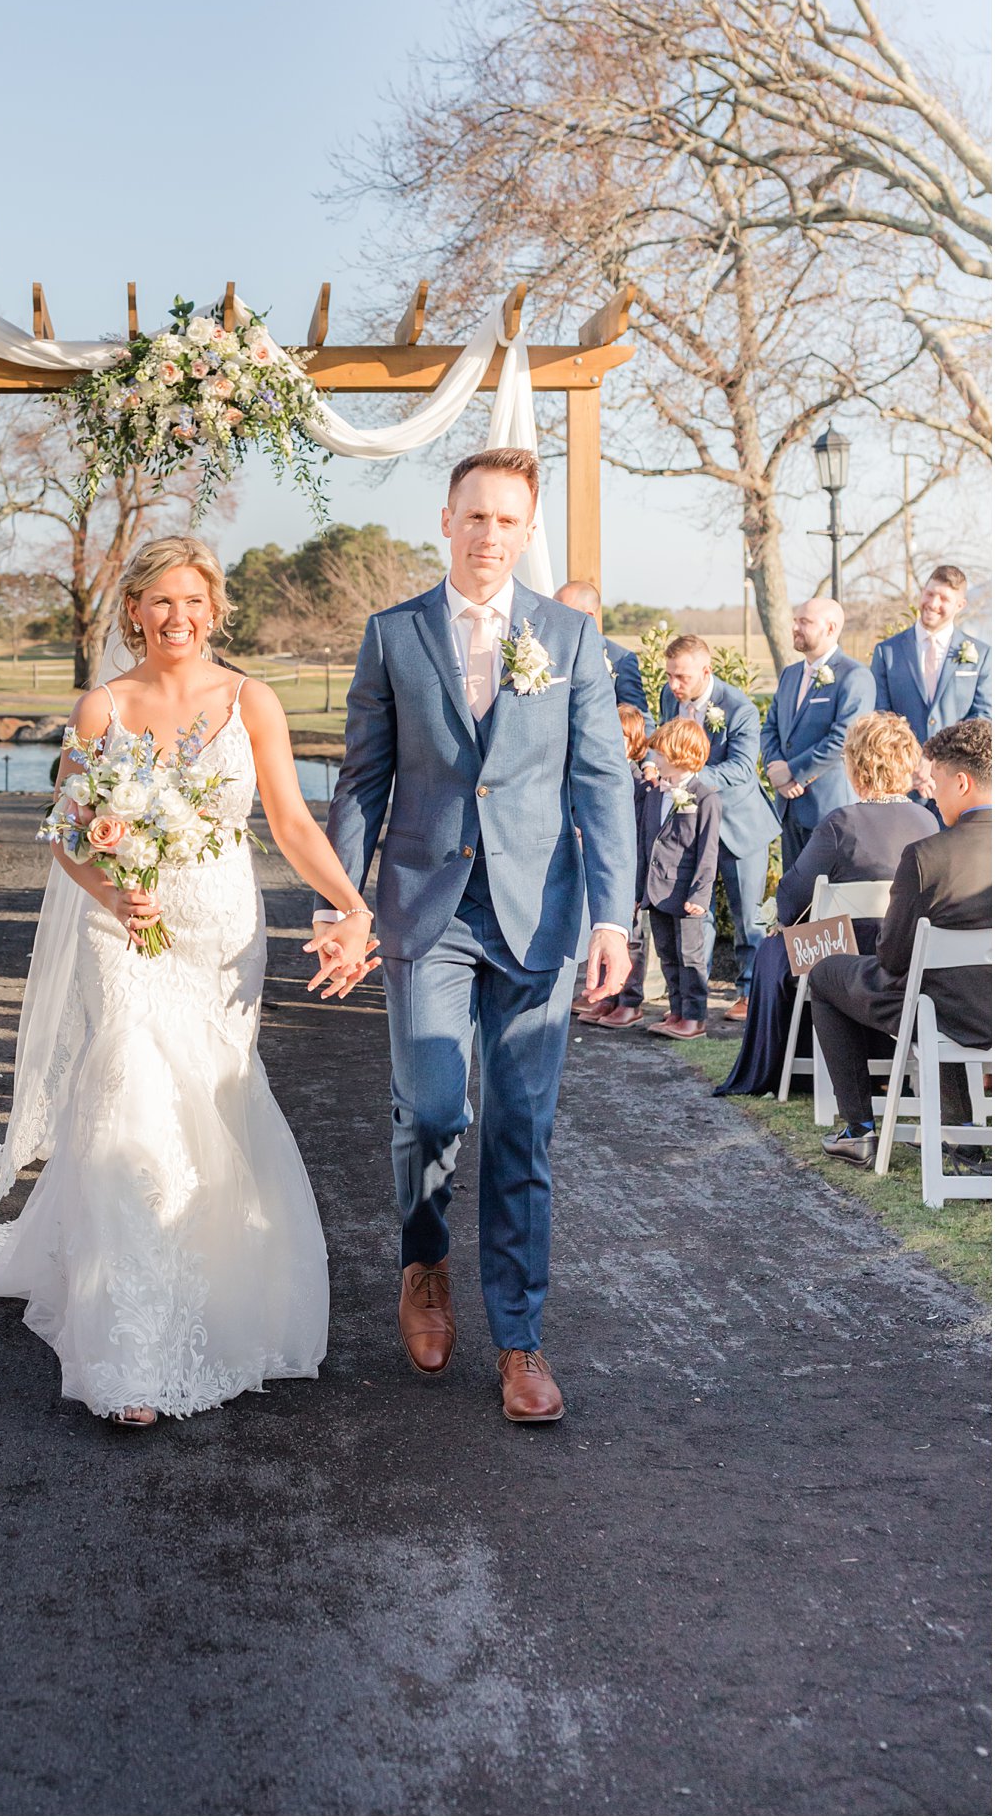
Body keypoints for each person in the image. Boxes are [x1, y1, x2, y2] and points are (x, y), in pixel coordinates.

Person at [0, 536, 376, 1428]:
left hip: (218, 931)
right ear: (133, 608)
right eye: (161, 601)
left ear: (216, 609)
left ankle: (208, 1291)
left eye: (195, 601)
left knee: (211, 1104)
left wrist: (351, 902)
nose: (180, 618)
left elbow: (288, 821)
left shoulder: (253, 701)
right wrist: (112, 886)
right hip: (122, 929)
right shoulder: (103, 708)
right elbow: (65, 833)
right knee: (131, 1100)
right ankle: (130, 1350)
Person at [326, 449, 634, 1424]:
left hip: (537, 918)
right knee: (427, 1110)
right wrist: (343, 900)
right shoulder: (391, 636)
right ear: (445, 520)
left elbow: (600, 786)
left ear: (524, 529)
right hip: (424, 909)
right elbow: (360, 784)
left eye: (507, 520)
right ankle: (423, 1267)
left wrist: (613, 916)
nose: (488, 535)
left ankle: (518, 1342)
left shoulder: (571, 640)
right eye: (474, 517)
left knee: (518, 1129)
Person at [717, 713, 937, 1098]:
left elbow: (792, 898)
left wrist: (783, 921)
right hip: (906, 957)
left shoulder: (841, 823)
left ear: (856, 767)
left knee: (773, 950)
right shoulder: (928, 821)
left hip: (842, 955)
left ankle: (787, 1071)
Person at [811, 719, 991, 1169]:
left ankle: (859, 1130)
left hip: (944, 1011)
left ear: (963, 782)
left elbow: (891, 957)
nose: (930, 792)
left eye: (938, 782)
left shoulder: (927, 855)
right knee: (937, 986)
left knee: (826, 974)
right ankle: (963, 1138)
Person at [657, 635, 778, 1023]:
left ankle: (749, 993)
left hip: (737, 824)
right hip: (689, 828)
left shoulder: (738, 707)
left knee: (747, 918)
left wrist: (688, 777)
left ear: (706, 672)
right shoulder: (667, 697)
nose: (674, 685)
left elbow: (743, 768)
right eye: (670, 675)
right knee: (695, 914)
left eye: (683, 677)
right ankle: (694, 998)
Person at [621, 718, 720, 1039]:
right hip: (657, 891)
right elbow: (643, 844)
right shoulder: (653, 793)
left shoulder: (704, 797)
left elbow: (708, 852)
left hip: (686, 894)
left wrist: (700, 895)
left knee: (690, 957)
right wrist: (637, 891)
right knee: (667, 954)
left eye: (659, 754)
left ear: (679, 755)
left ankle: (695, 1016)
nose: (654, 759)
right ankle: (676, 1011)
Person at [760, 598, 876, 874]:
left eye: (805, 622)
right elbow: (770, 728)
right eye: (795, 620)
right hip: (789, 806)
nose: (794, 627)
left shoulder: (854, 676)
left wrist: (793, 772)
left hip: (829, 807)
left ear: (831, 628)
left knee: (828, 899)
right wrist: (777, 771)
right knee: (795, 900)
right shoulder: (790, 674)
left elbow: (844, 739)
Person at [576, 702, 652, 1025]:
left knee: (631, 939)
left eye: (619, 736)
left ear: (633, 743)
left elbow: (636, 837)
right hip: (596, 868)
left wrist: (635, 886)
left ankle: (629, 1000)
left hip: (629, 871)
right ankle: (606, 997)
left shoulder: (638, 784)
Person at [870, 566, 991, 746]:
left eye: (944, 599)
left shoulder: (982, 655)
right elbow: (880, 715)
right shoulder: (886, 652)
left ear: (960, 605)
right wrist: (912, 758)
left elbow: (982, 718)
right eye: (930, 594)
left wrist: (939, 758)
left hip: (955, 767)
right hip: (903, 768)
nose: (933, 604)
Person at [553, 582, 648, 714]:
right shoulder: (545, 650)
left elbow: (637, 716)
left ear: (588, 616)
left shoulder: (620, 659)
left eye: (562, 611)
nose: (553, 617)